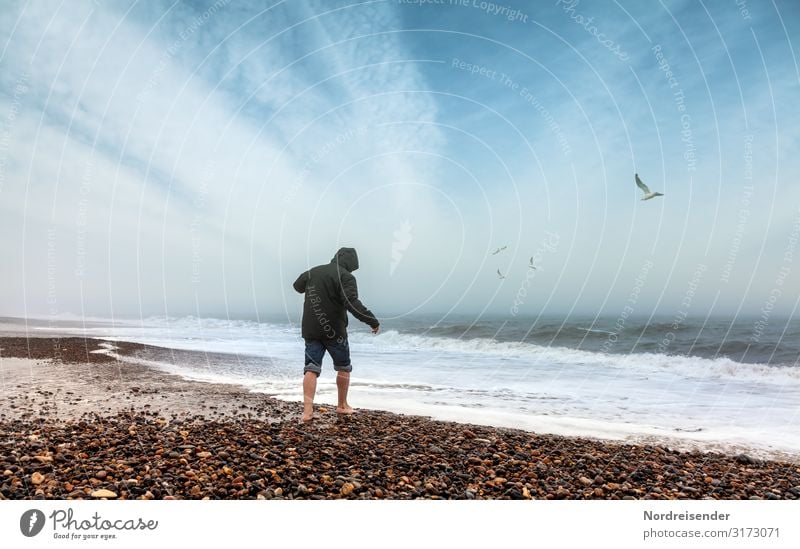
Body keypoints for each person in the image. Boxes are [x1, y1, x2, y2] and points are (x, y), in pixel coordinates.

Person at [293, 247, 380, 422]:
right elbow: (351, 302)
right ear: (350, 263)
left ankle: (307, 411)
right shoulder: (346, 277)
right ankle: (342, 405)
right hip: (334, 331)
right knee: (343, 366)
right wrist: (371, 320)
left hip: (311, 328)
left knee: (311, 367)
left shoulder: (313, 271)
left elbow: (297, 286)